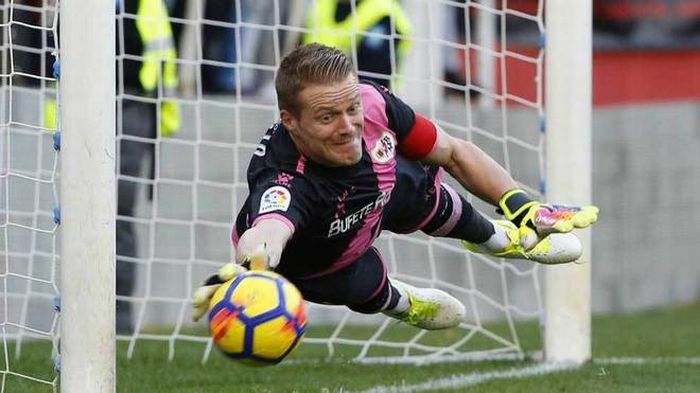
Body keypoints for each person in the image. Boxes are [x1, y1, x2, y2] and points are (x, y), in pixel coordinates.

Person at [192, 43, 598, 330]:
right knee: (367, 287)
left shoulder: (374, 104)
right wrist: (255, 260)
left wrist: (523, 204)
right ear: (291, 120)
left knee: (415, 180)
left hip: (380, 193)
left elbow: (454, 152)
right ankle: (405, 303)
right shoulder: (284, 180)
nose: (349, 126)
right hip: (319, 255)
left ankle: (500, 237)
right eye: (327, 117)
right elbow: (268, 229)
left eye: (350, 108)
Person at [115, 0, 180, 333]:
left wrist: (163, 117)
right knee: (82, 215)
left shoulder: (147, 4)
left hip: (132, 107)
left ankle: (118, 318)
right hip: (83, 111)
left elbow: (164, 60)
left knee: (119, 212)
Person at [303, 0, 413, 89]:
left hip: (360, 100)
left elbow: (372, 79)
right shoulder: (322, 4)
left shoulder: (383, 13)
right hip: (311, 89)